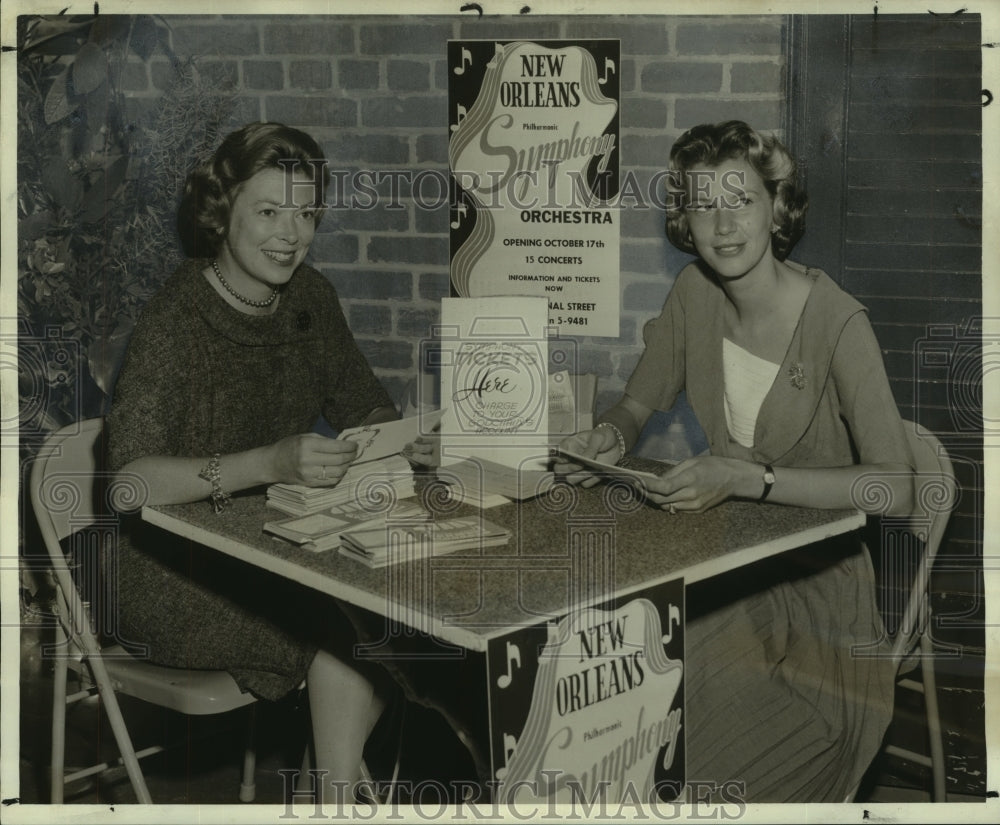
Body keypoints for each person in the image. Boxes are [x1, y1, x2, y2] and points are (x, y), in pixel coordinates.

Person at [555, 120, 916, 802]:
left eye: (740, 200)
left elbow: (896, 487)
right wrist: (605, 434)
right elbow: (636, 404)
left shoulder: (838, 320)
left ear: (776, 207)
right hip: (721, 566)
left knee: (690, 765)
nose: (723, 224)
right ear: (683, 219)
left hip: (821, 603)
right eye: (703, 203)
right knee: (610, 717)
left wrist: (753, 478)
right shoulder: (693, 294)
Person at [105, 122, 400, 800]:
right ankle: (336, 797)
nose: (290, 234)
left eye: (305, 214)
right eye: (269, 211)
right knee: (351, 630)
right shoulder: (175, 322)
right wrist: (271, 461)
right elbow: (128, 484)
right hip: (169, 572)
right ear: (221, 212)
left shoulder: (310, 300)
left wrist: (401, 438)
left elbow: (368, 407)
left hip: (272, 546)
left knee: (400, 609)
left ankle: (327, 786)